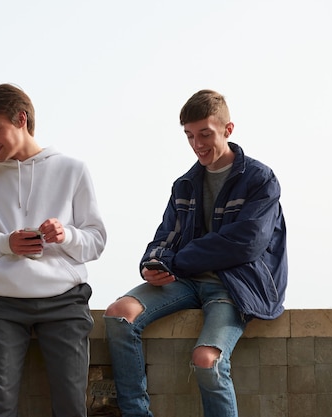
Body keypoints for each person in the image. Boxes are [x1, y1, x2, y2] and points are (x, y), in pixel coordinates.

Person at [104, 89, 287, 417]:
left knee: (207, 360)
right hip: (185, 281)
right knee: (119, 313)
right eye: (189, 136)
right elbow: (166, 236)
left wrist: (179, 259)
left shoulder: (260, 180)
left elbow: (246, 242)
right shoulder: (185, 184)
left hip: (234, 286)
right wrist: (154, 264)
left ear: (228, 130)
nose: (197, 144)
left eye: (205, 134)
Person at [0, 83, 107, 417]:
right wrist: (3, 244)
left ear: (21, 119)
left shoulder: (73, 169)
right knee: (0, 408)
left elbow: (96, 241)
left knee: (71, 408)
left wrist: (65, 235)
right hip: (2, 306)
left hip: (65, 302)